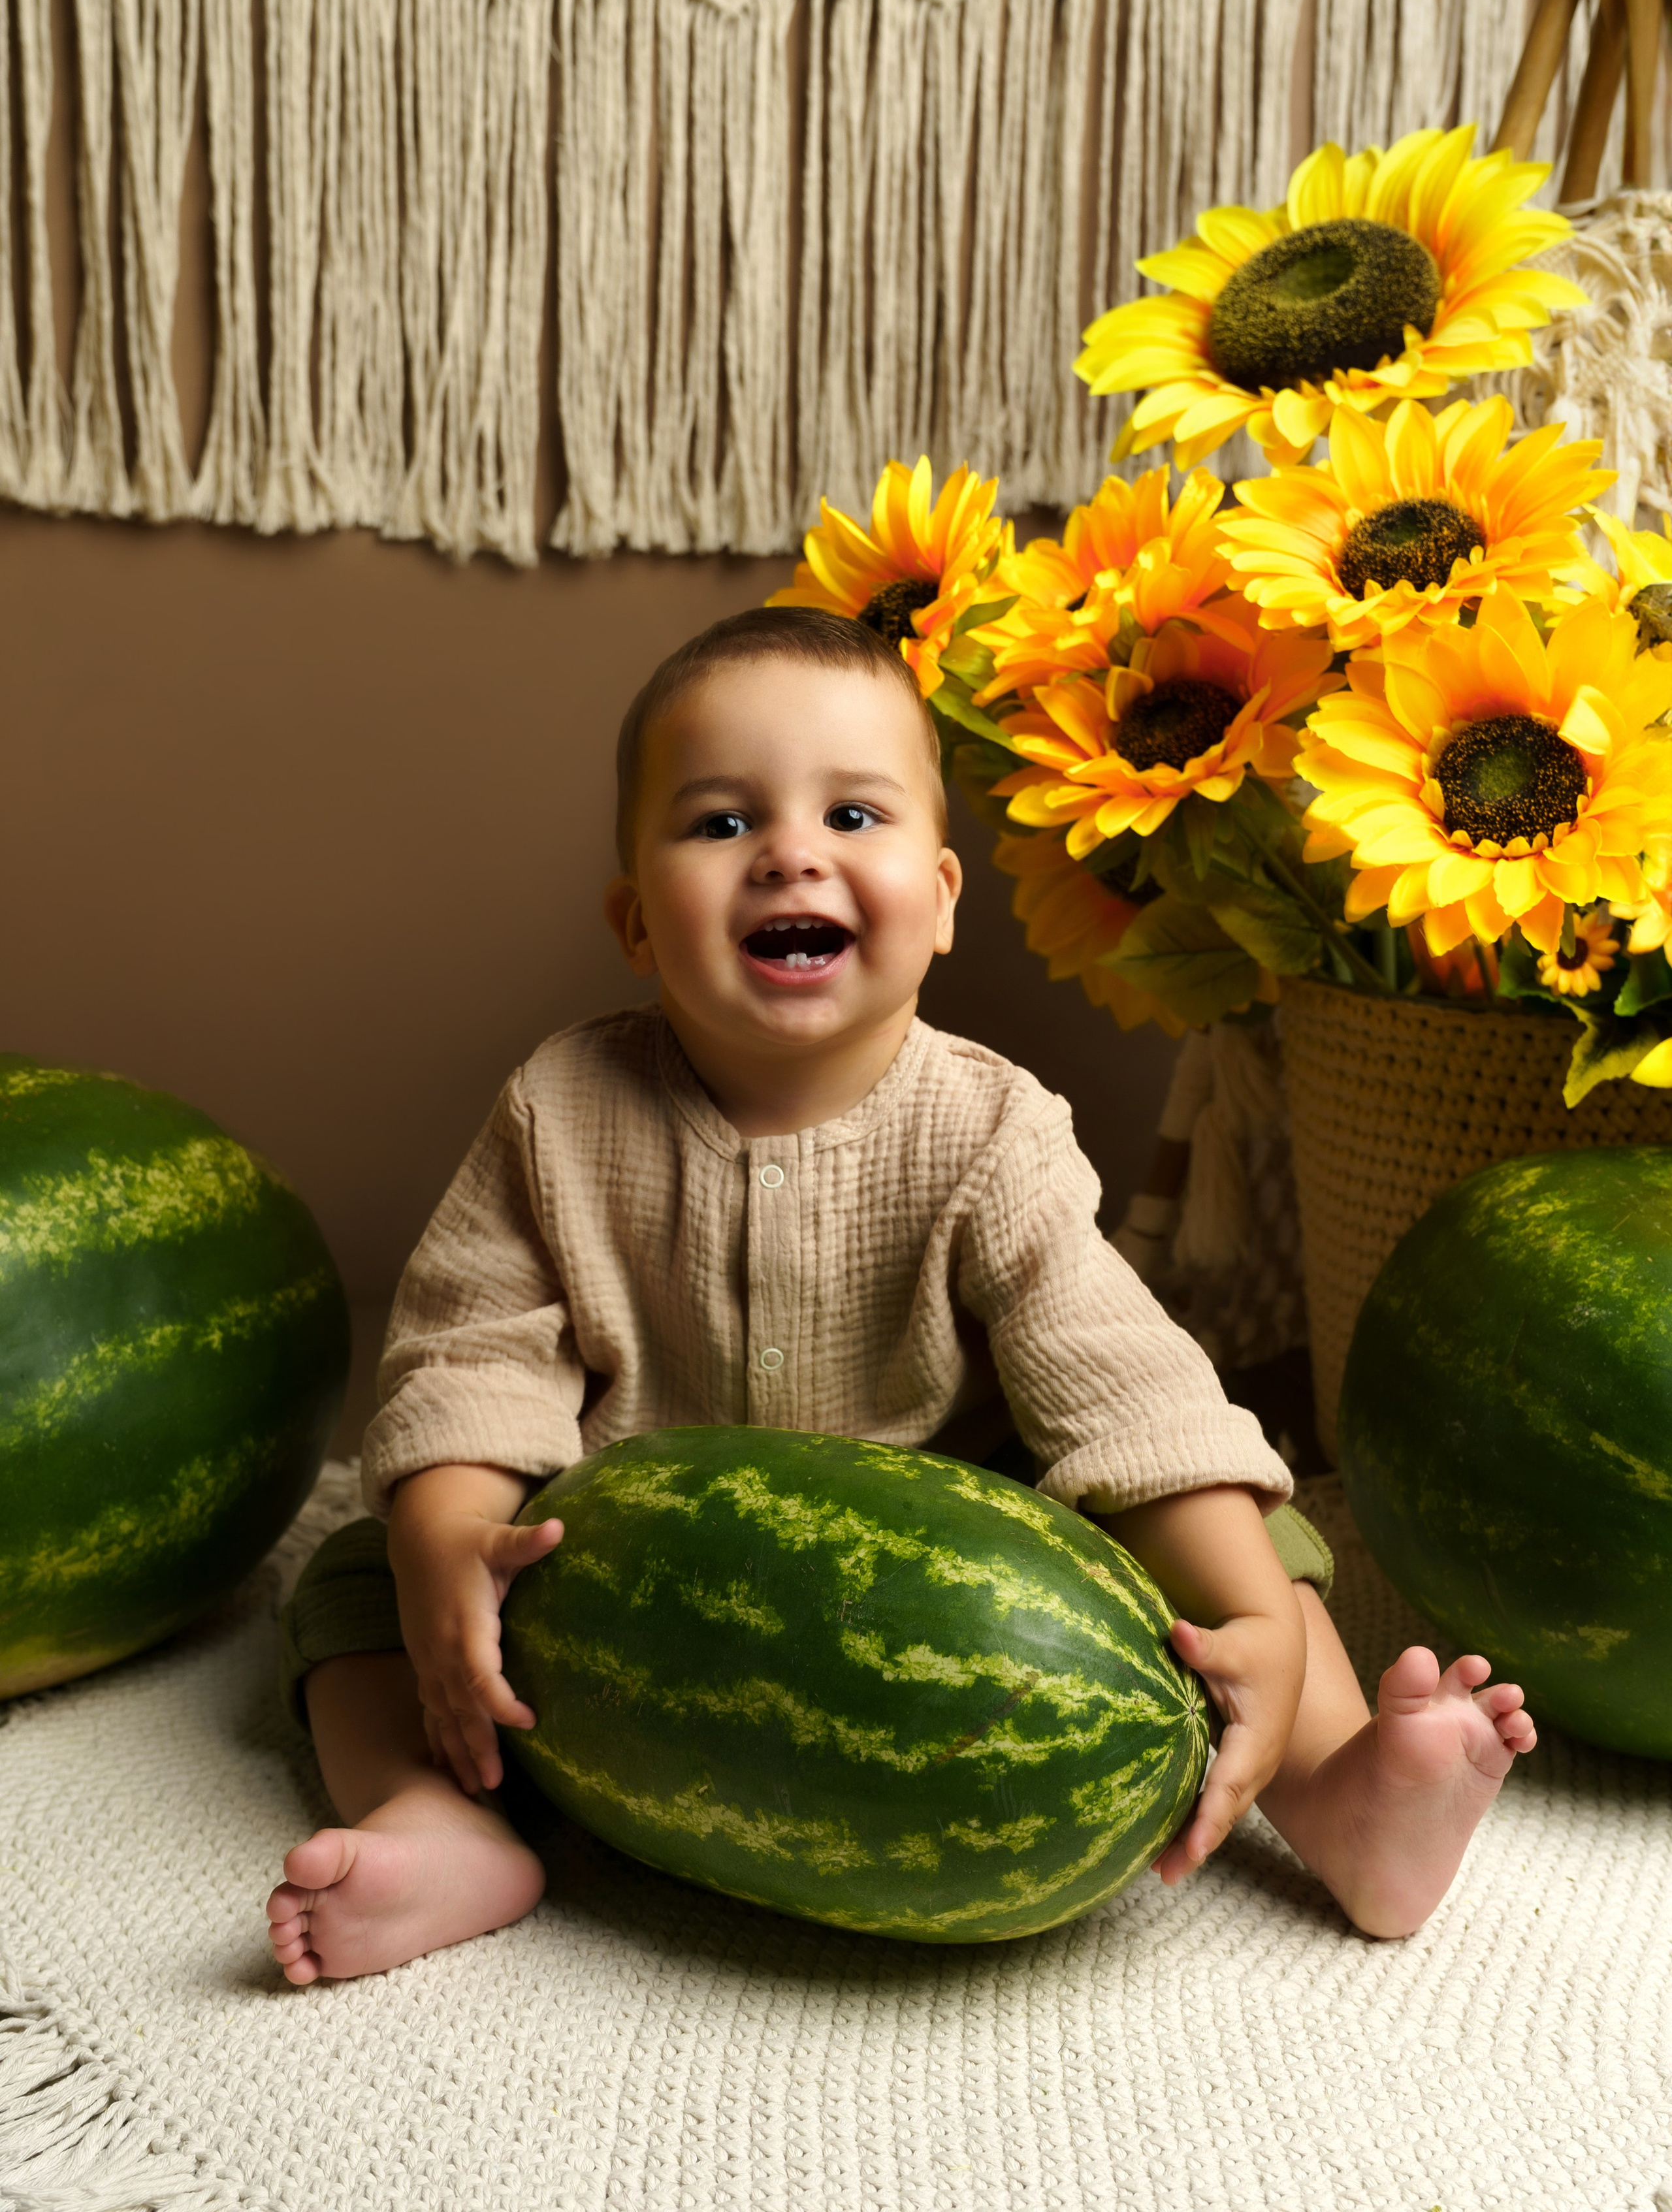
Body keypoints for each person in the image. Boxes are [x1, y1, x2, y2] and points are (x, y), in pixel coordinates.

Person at [266, 609, 1535, 1986]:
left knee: (1257, 1555)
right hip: (629, 1574)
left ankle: (1339, 1796)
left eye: (852, 814)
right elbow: (473, 1349)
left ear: (938, 903)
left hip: (959, 1570)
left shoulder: (989, 1129)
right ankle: (440, 1815)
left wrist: (1245, 1611)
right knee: (364, 1577)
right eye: (720, 824)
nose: (790, 853)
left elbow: (1120, 1382)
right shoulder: (560, 1110)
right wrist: (452, 1532)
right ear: (635, 921)